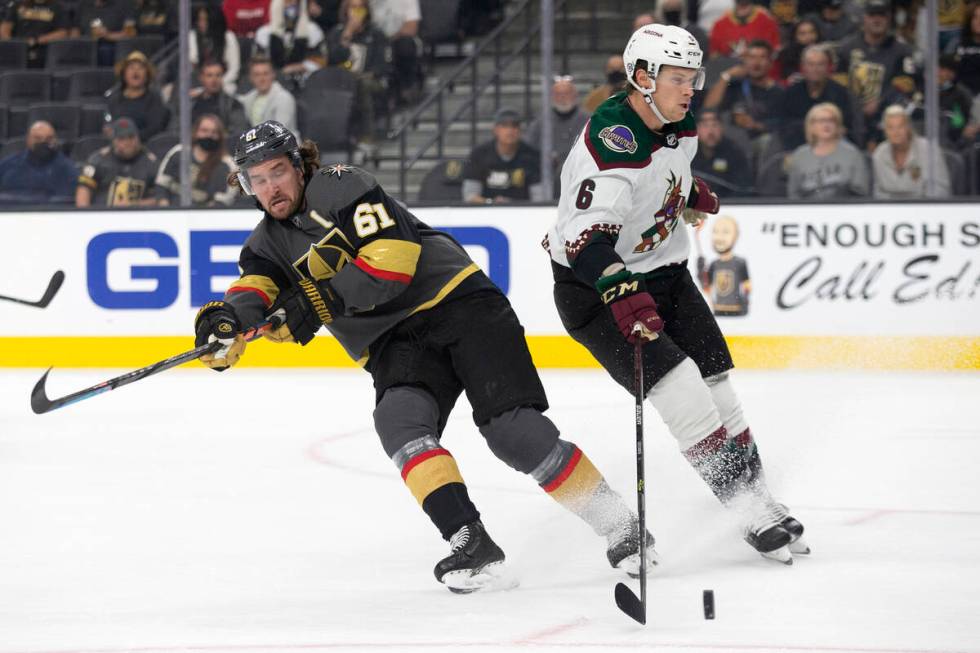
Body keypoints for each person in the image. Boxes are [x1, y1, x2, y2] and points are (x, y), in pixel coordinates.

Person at [193, 120, 657, 592]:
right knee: (399, 422)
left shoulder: (341, 185)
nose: (271, 187)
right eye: (258, 179)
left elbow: (392, 260)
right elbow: (255, 291)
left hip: (459, 301)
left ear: (298, 165)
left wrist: (315, 302)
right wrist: (224, 327)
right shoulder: (264, 245)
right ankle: (471, 541)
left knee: (512, 433)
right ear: (246, 186)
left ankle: (622, 527)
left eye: (277, 171)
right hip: (394, 339)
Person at [546, 24, 809, 564]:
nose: (691, 89)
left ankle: (759, 498)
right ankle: (747, 509)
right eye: (678, 78)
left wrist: (689, 193)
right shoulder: (611, 141)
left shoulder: (677, 120)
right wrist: (625, 297)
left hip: (665, 273)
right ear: (642, 78)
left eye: (694, 77)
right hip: (596, 289)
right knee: (682, 388)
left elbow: (670, 170)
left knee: (717, 383)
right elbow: (586, 241)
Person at [835, 0, 920, 148]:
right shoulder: (846, 49)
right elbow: (838, 83)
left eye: (881, 15)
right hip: (851, 119)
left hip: (888, 120)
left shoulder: (904, 51)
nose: (877, 19)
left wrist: (879, 102)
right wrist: (856, 105)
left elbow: (907, 84)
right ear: (864, 18)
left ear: (889, 19)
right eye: (872, 15)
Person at [324, 0, 390, 143]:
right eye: (353, 7)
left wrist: (361, 76)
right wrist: (347, 34)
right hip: (341, 81)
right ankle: (333, 138)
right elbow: (332, 60)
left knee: (361, 84)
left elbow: (383, 66)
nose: (357, 12)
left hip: (371, 81)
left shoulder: (376, 34)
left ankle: (367, 135)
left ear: (366, 11)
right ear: (345, 10)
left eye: (361, 8)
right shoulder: (336, 34)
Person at [702, 39, 784, 144]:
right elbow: (708, 108)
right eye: (752, 57)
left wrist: (755, 125)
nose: (756, 63)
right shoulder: (735, 86)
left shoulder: (778, 92)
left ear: (770, 63)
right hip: (729, 140)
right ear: (744, 61)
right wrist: (726, 76)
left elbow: (782, 123)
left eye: (762, 57)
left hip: (761, 141)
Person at [778, 44, 858, 151]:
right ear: (803, 67)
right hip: (797, 144)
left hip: (833, 144)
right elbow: (784, 125)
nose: (815, 69)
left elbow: (846, 125)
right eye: (810, 64)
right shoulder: (791, 93)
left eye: (820, 64)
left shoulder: (840, 93)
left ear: (828, 67)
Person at [786, 102, 869, 199]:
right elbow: (793, 195)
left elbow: (861, 193)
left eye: (831, 120)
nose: (826, 124)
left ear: (838, 125)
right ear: (811, 126)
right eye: (821, 121)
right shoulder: (800, 156)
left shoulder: (852, 154)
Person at [461, 108, 544, 204]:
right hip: (485, 213)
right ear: (495, 130)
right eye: (504, 126)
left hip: (521, 213)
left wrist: (513, 206)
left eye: (514, 126)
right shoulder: (479, 154)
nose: (510, 131)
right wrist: (492, 203)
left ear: (520, 130)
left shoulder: (532, 156)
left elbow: (539, 199)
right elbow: (470, 196)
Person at [155, 114, 239, 206]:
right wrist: (166, 209)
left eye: (214, 132)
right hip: (171, 213)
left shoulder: (228, 165)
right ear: (196, 132)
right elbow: (161, 186)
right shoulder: (179, 153)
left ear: (220, 136)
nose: (209, 135)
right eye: (204, 131)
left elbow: (222, 202)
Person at [524, 76, 589, 192]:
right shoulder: (540, 123)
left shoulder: (589, 121)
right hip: (547, 176)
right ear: (552, 97)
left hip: (581, 175)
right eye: (558, 94)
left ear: (575, 95)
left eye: (566, 93)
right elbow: (528, 150)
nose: (562, 97)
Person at [76, 117, 160, 207]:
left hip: (137, 218)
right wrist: (86, 217)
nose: (127, 142)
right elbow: (83, 191)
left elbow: (161, 199)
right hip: (101, 217)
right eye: (121, 138)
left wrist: (135, 205)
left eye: (131, 137)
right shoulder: (98, 160)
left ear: (138, 138)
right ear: (113, 141)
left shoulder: (152, 163)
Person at [872, 105, 951, 199]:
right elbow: (878, 192)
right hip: (890, 211)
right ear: (885, 131)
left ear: (908, 127)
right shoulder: (879, 154)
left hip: (924, 209)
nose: (896, 132)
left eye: (900, 126)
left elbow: (941, 190)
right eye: (890, 127)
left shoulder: (929, 150)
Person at [0, 121, 77, 205]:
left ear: (55, 140)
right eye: (38, 138)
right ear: (28, 140)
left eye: (49, 138)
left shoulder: (67, 169)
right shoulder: (8, 165)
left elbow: (67, 203)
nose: (43, 142)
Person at [105, 50, 171, 141]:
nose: (136, 71)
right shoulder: (114, 99)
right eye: (131, 68)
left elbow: (155, 129)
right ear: (124, 74)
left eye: (140, 68)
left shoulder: (155, 99)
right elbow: (108, 124)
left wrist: (130, 140)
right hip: (117, 146)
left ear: (147, 75)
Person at [255, 0, 326, 79]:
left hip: (304, 80)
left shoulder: (312, 30)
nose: (291, 5)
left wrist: (296, 67)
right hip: (273, 80)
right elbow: (258, 63)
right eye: (287, 2)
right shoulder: (264, 32)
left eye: (295, 2)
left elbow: (320, 61)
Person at [369, 0, 423, 104]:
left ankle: (406, 86)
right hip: (375, 40)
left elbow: (411, 27)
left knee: (404, 45)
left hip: (400, 39)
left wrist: (390, 39)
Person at [691, 109, 754, 196]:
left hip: (727, 205)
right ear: (696, 129)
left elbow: (742, 189)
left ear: (722, 128)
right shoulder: (687, 154)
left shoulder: (735, 154)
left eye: (715, 125)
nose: (711, 131)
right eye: (705, 125)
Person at [238, 55, 300, 139]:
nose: (262, 78)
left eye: (265, 74)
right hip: (259, 147)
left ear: (273, 75)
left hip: (284, 148)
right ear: (251, 78)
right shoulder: (250, 97)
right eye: (257, 75)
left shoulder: (284, 98)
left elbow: (279, 133)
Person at [188, 60, 249, 140]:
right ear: (201, 78)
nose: (214, 80)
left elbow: (239, 134)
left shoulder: (233, 105)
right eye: (209, 75)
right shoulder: (191, 103)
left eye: (218, 75)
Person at [189, 4, 241, 95]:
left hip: (224, 83)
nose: (201, 23)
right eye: (199, 20)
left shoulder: (228, 37)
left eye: (204, 20)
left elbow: (234, 70)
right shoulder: (192, 36)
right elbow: (191, 63)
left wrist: (217, 83)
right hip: (199, 83)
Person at [0, 0, 70, 67]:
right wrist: (13, 45)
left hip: (45, 52)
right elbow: (5, 28)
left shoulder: (58, 7)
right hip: (19, 53)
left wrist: (36, 41)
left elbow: (62, 33)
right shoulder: (18, 5)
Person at [72, 0, 137, 66]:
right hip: (86, 47)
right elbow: (75, 31)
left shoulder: (124, 3)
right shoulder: (83, 4)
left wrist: (107, 35)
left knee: (105, 51)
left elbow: (130, 33)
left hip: (114, 48)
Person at [708, 0, 780, 59]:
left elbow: (774, 55)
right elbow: (714, 58)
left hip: (759, 73)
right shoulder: (719, 25)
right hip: (728, 71)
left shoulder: (767, 22)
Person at [945, 0, 980, 94]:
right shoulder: (956, 43)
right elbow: (946, 69)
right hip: (958, 95)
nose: (978, 22)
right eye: (975, 17)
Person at [774, 18, 822, 84]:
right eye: (802, 34)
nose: (808, 37)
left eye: (812, 32)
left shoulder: (827, 54)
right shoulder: (785, 56)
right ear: (795, 37)